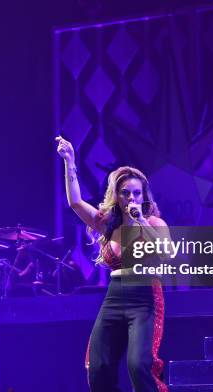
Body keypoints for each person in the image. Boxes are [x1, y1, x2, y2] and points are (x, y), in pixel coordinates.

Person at [55, 136, 169, 391]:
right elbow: (75, 202)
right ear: (116, 195)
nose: (131, 198)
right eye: (125, 193)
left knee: (139, 365)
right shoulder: (107, 224)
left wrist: (139, 221)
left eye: (136, 193)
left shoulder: (153, 223)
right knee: (98, 365)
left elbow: (166, 253)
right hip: (115, 297)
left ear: (144, 196)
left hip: (145, 296)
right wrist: (70, 161)